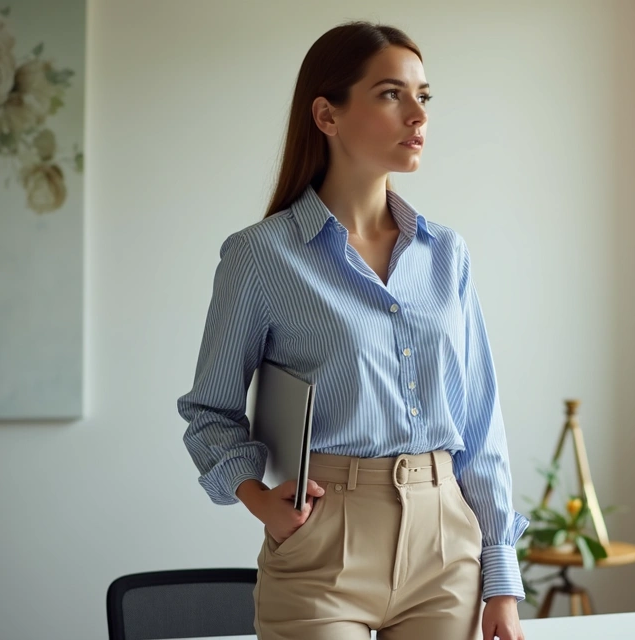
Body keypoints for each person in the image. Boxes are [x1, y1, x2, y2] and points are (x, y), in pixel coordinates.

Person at [175, 20, 529, 640]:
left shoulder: (448, 254)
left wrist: (501, 575)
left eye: (424, 96)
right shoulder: (261, 256)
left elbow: (480, 422)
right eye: (391, 94)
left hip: (446, 547)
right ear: (327, 115)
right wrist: (262, 502)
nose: (417, 115)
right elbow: (210, 410)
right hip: (324, 545)